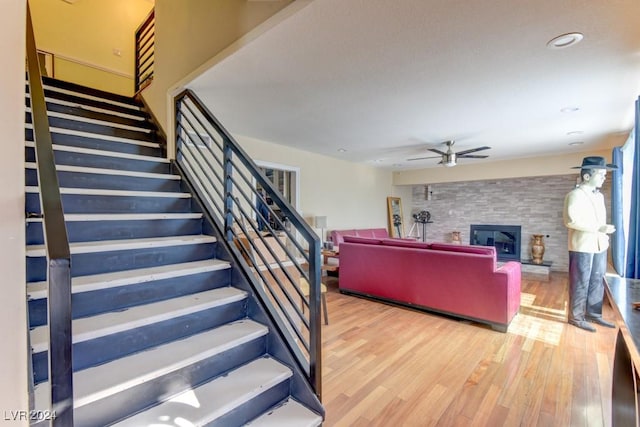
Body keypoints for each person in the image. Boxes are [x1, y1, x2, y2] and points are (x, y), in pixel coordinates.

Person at [563, 156, 617, 332]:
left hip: (600, 245)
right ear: (587, 176)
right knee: (580, 282)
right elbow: (571, 221)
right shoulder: (574, 195)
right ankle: (575, 317)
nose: (604, 177)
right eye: (601, 174)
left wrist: (603, 233)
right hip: (582, 246)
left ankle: (594, 314)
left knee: (597, 280)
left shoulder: (599, 196)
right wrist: (599, 228)